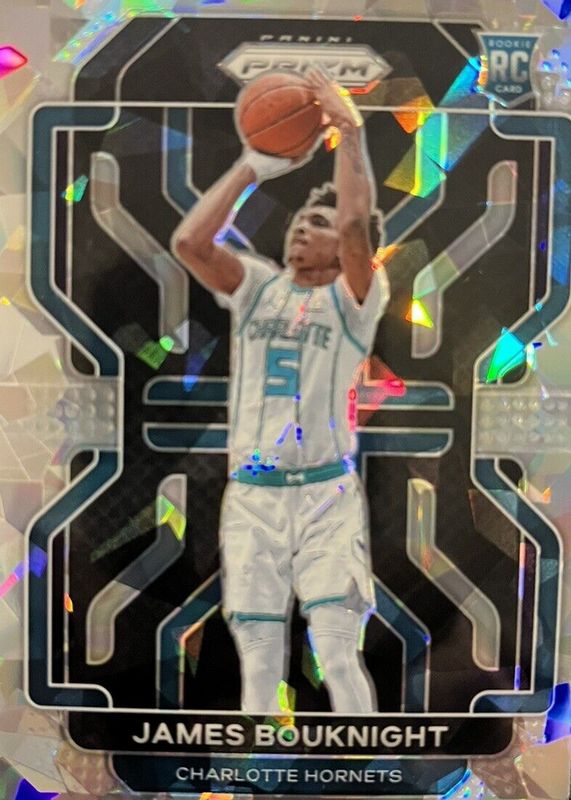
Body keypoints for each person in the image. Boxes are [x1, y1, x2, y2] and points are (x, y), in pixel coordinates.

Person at [171, 68, 389, 714]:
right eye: (298, 220)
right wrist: (252, 166)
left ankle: (367, 762)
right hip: (253, 494)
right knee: (259, 664)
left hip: (324, 494)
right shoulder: (258, 286)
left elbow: (356, 224)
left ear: (342, 248)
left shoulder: (354, 300)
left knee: (338, 654)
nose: (300, 228)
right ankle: (255, 765)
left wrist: (349, 133)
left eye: (316, 223)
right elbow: (189, 242)